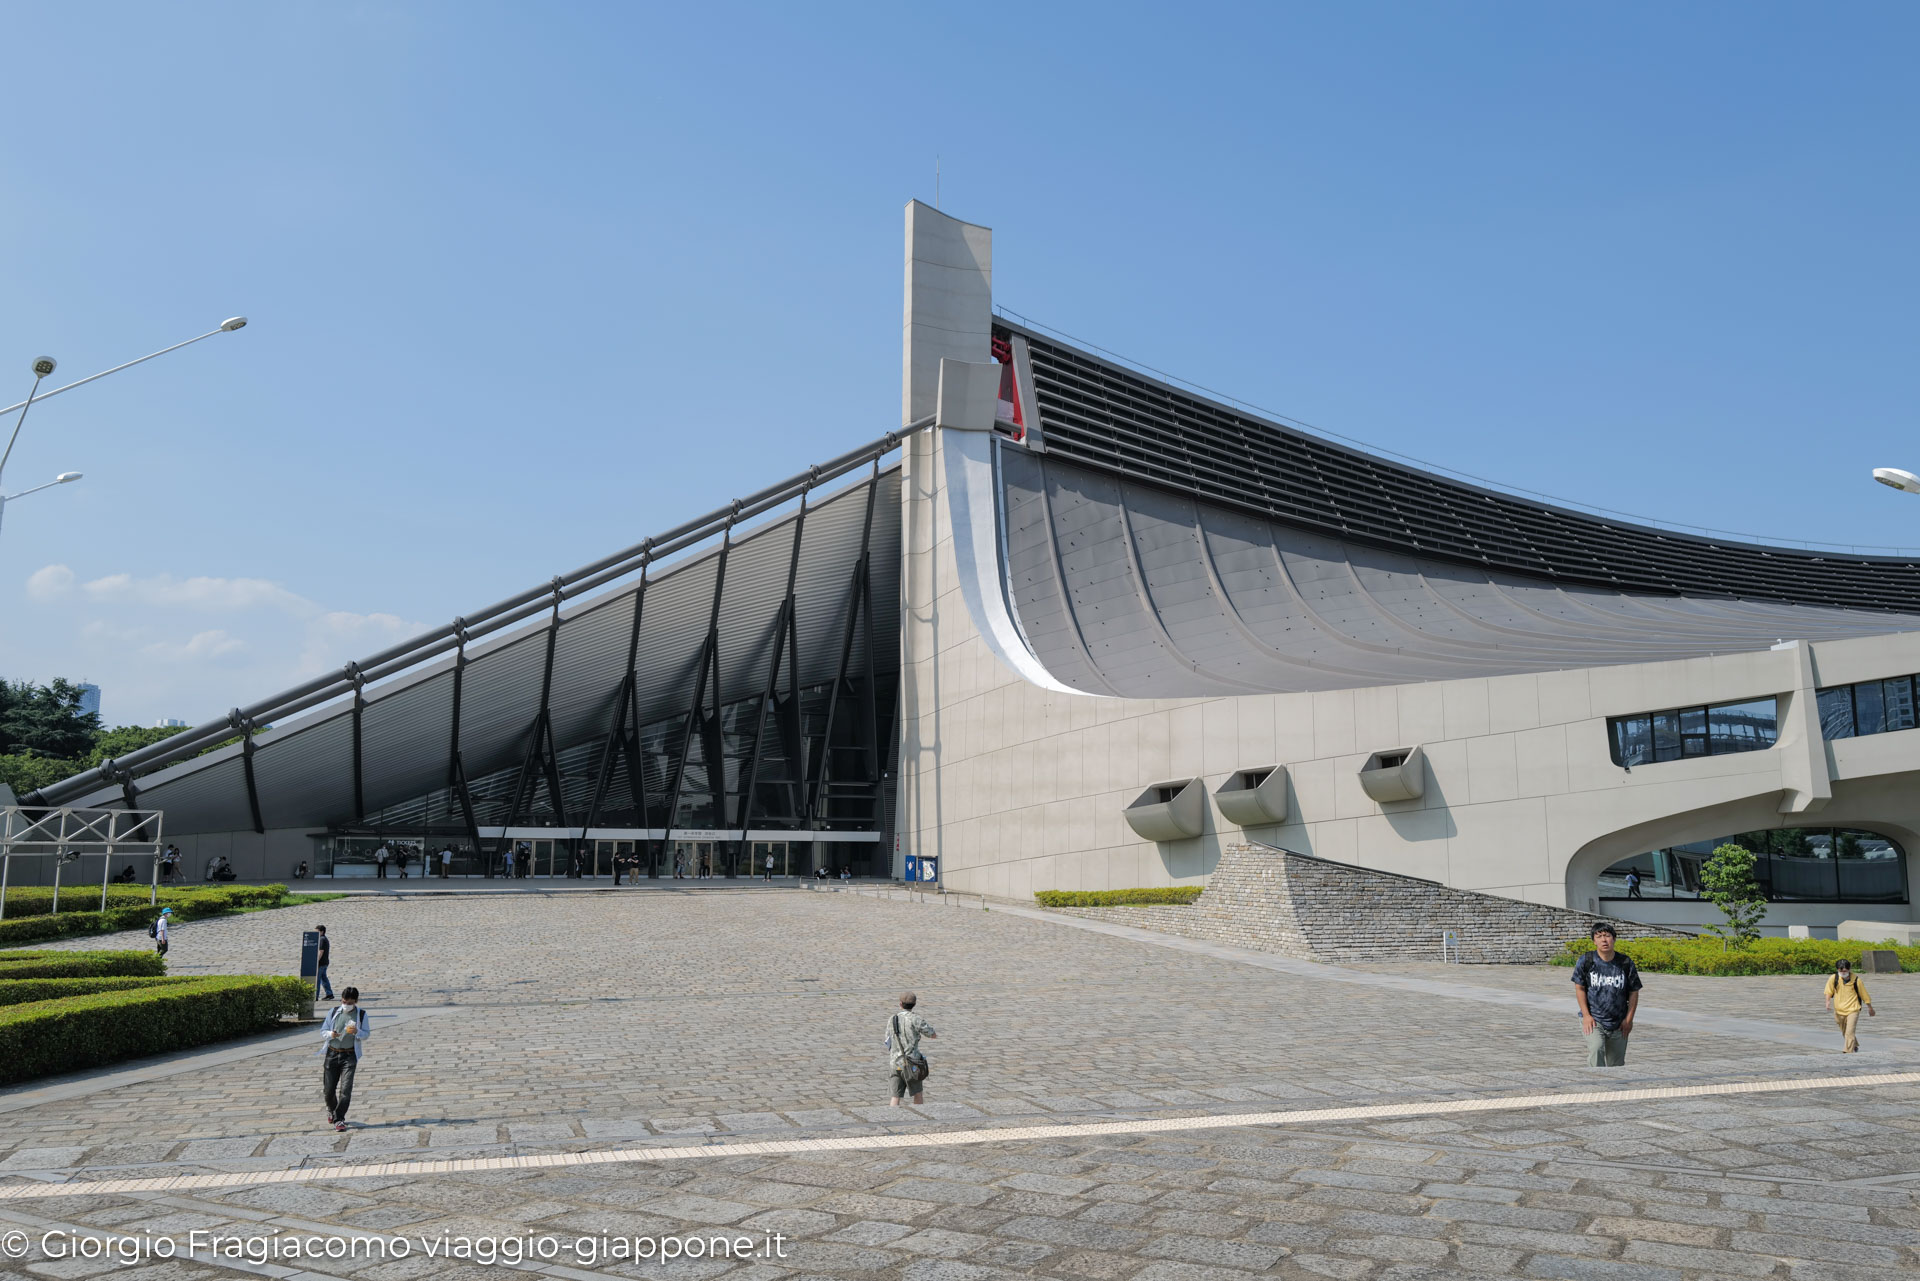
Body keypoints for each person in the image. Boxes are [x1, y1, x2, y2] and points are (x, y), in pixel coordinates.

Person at [1571, 922, 1641, 1067]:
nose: (1604, 940)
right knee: (1596, 1049)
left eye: (1607, 936)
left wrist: (1628, 1019)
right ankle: (1596, 1085)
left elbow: (1634, 992)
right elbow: (1580, 988)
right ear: (1594, 941)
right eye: (1599, 936)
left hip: (1619, 1021)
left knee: (1617, 1065)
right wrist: (1586, 1016)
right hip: (1594, 1020)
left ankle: (1614, 1089)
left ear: (1614, 939)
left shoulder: (1625, 962)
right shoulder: (1586, 960)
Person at [318, 986, 369, 1132]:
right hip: (332, 1053)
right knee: (328, 1090)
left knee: (346, 1089)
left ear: (355, 1001)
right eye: (344, 1001)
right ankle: (331, 1109)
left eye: (350, 1002)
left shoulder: (361, 1015)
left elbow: (366, 1034)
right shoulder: (334, 1012)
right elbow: (323, 1030)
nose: (346, 1005)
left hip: (349, 1055)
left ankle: (339, 1118)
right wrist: (330, 1034)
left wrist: (357, 1032)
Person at [885, 991, 937, 1107]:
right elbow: (932, 1034)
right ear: (914, 1004)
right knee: (917, 1093)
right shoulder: (916, 1019)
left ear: (900, 1004)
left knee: (895, 1096)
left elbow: (887, 1040)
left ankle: (893, 1118)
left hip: (895, 1062)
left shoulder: (892, 1019)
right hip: (912, 1064)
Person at [1824, 959, 1875, 1053]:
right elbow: (1828, 991)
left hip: (1853, 1009)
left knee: (1850, 1031)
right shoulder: (1834, 978)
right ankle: (1854, 1044)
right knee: (1844, 1031)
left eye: (1845, 971)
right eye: (1841, 971)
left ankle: (1847, 1051)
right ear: (1838, 970)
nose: (1843, 973)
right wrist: (1827, 1002)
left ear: (1849, 969)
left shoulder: (1856, 980)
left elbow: (1864, 994)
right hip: (1839, 1010)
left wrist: (1870, 1007)